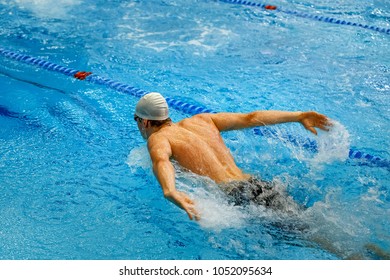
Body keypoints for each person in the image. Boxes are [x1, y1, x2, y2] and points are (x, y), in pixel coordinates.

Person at [134, 92, 332, 221]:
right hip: (257, 184)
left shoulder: (159, 138)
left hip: (239, 197)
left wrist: (170, 191)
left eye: (137, 120)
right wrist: (298, 116)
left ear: (145, 122)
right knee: (308, 222)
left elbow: (161, 161)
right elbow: (251, 118)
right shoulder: (202, 119)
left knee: (314, 240)